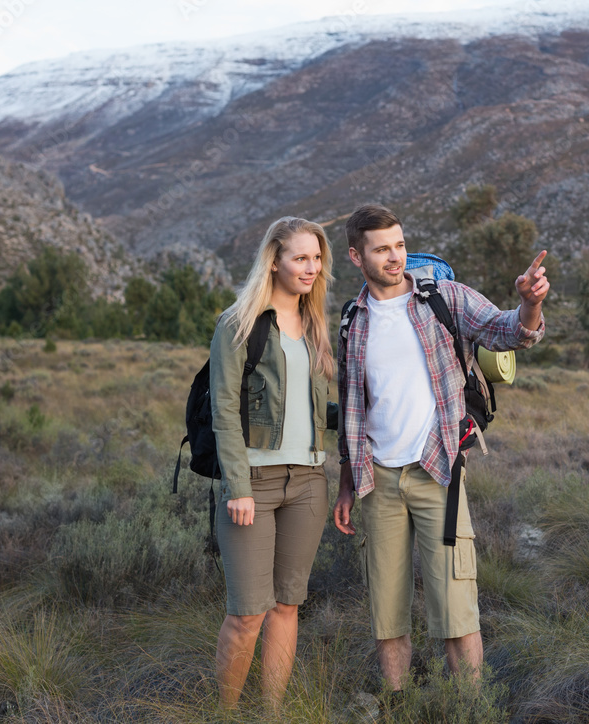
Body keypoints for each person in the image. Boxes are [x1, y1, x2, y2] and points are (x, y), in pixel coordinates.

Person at [331, 204, 549, 691]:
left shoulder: (443, 299)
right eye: (382, 249)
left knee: (456, 613)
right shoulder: (352, 320)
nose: (395, 258)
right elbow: (350, 407)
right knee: (387, 620)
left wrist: (530, 302)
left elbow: (510, 331)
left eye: (400, 245)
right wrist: (347, 484)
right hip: (377, 484)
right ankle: (397, 706)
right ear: (355, 255)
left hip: (439, 475)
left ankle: (471, 709)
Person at [209, 216, 335, 712]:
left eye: (317, 258)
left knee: (287, 605)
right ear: (275, 261)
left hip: (308, 483)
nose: (311, 267)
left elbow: (313, 409)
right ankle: (224, 714)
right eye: (300, 257)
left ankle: (273, 713)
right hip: (253, 486)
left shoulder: (317, 326)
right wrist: (237, 486)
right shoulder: (239, 323)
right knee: (247, 613)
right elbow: (223, 411)